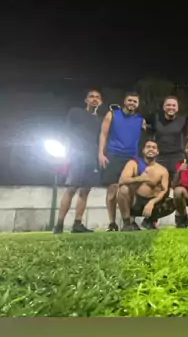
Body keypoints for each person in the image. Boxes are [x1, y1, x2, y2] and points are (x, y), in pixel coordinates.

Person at [53, 89, 103, 234]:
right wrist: (68, 151)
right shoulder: (76, 112)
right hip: (77, 155)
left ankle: (77, 224)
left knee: (85, 191)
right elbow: (66, 131)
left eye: (97, 97)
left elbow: (102, 138)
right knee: (71, 188)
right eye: (91, 97)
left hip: (92, 157)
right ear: (86, 100)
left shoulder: (100, 120)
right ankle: (59, 224)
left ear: (100, 102)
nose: (94, 99)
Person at [98, 92, 146, 231]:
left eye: (135, 101)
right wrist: (101, 153)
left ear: (138, 104)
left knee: (130, 190)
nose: (132, 103)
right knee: (112, 190)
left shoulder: (140, 119)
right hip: (114, 155)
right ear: (124, 101)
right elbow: (103, 134)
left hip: (132, 158)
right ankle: (112, 223)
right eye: (130, 100)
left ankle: (130, 221)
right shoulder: (112, 114)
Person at [117, 140, 172, 231]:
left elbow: (164, 190)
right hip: (135, 202)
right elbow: (122, 180)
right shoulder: (134, 163)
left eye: (154, 148)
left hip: (153, 204)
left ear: (157, 152)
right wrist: (140, 178)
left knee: (171, 202)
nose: (151, 149)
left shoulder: (162, 170)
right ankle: (127, 223)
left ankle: (150, 221)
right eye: (148, 147)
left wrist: (152, 202)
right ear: (143, 150)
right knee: (123, 189)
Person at [154, 96, 188, 182]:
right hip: (160, 157)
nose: (171, 107)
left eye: (173, 105)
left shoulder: (184, 120)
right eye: (168, 105)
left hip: (177, 157)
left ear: (177, 108)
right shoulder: (156, 119)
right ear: (163, 107)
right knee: (158, 183)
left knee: (177, 183)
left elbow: (187, 137)